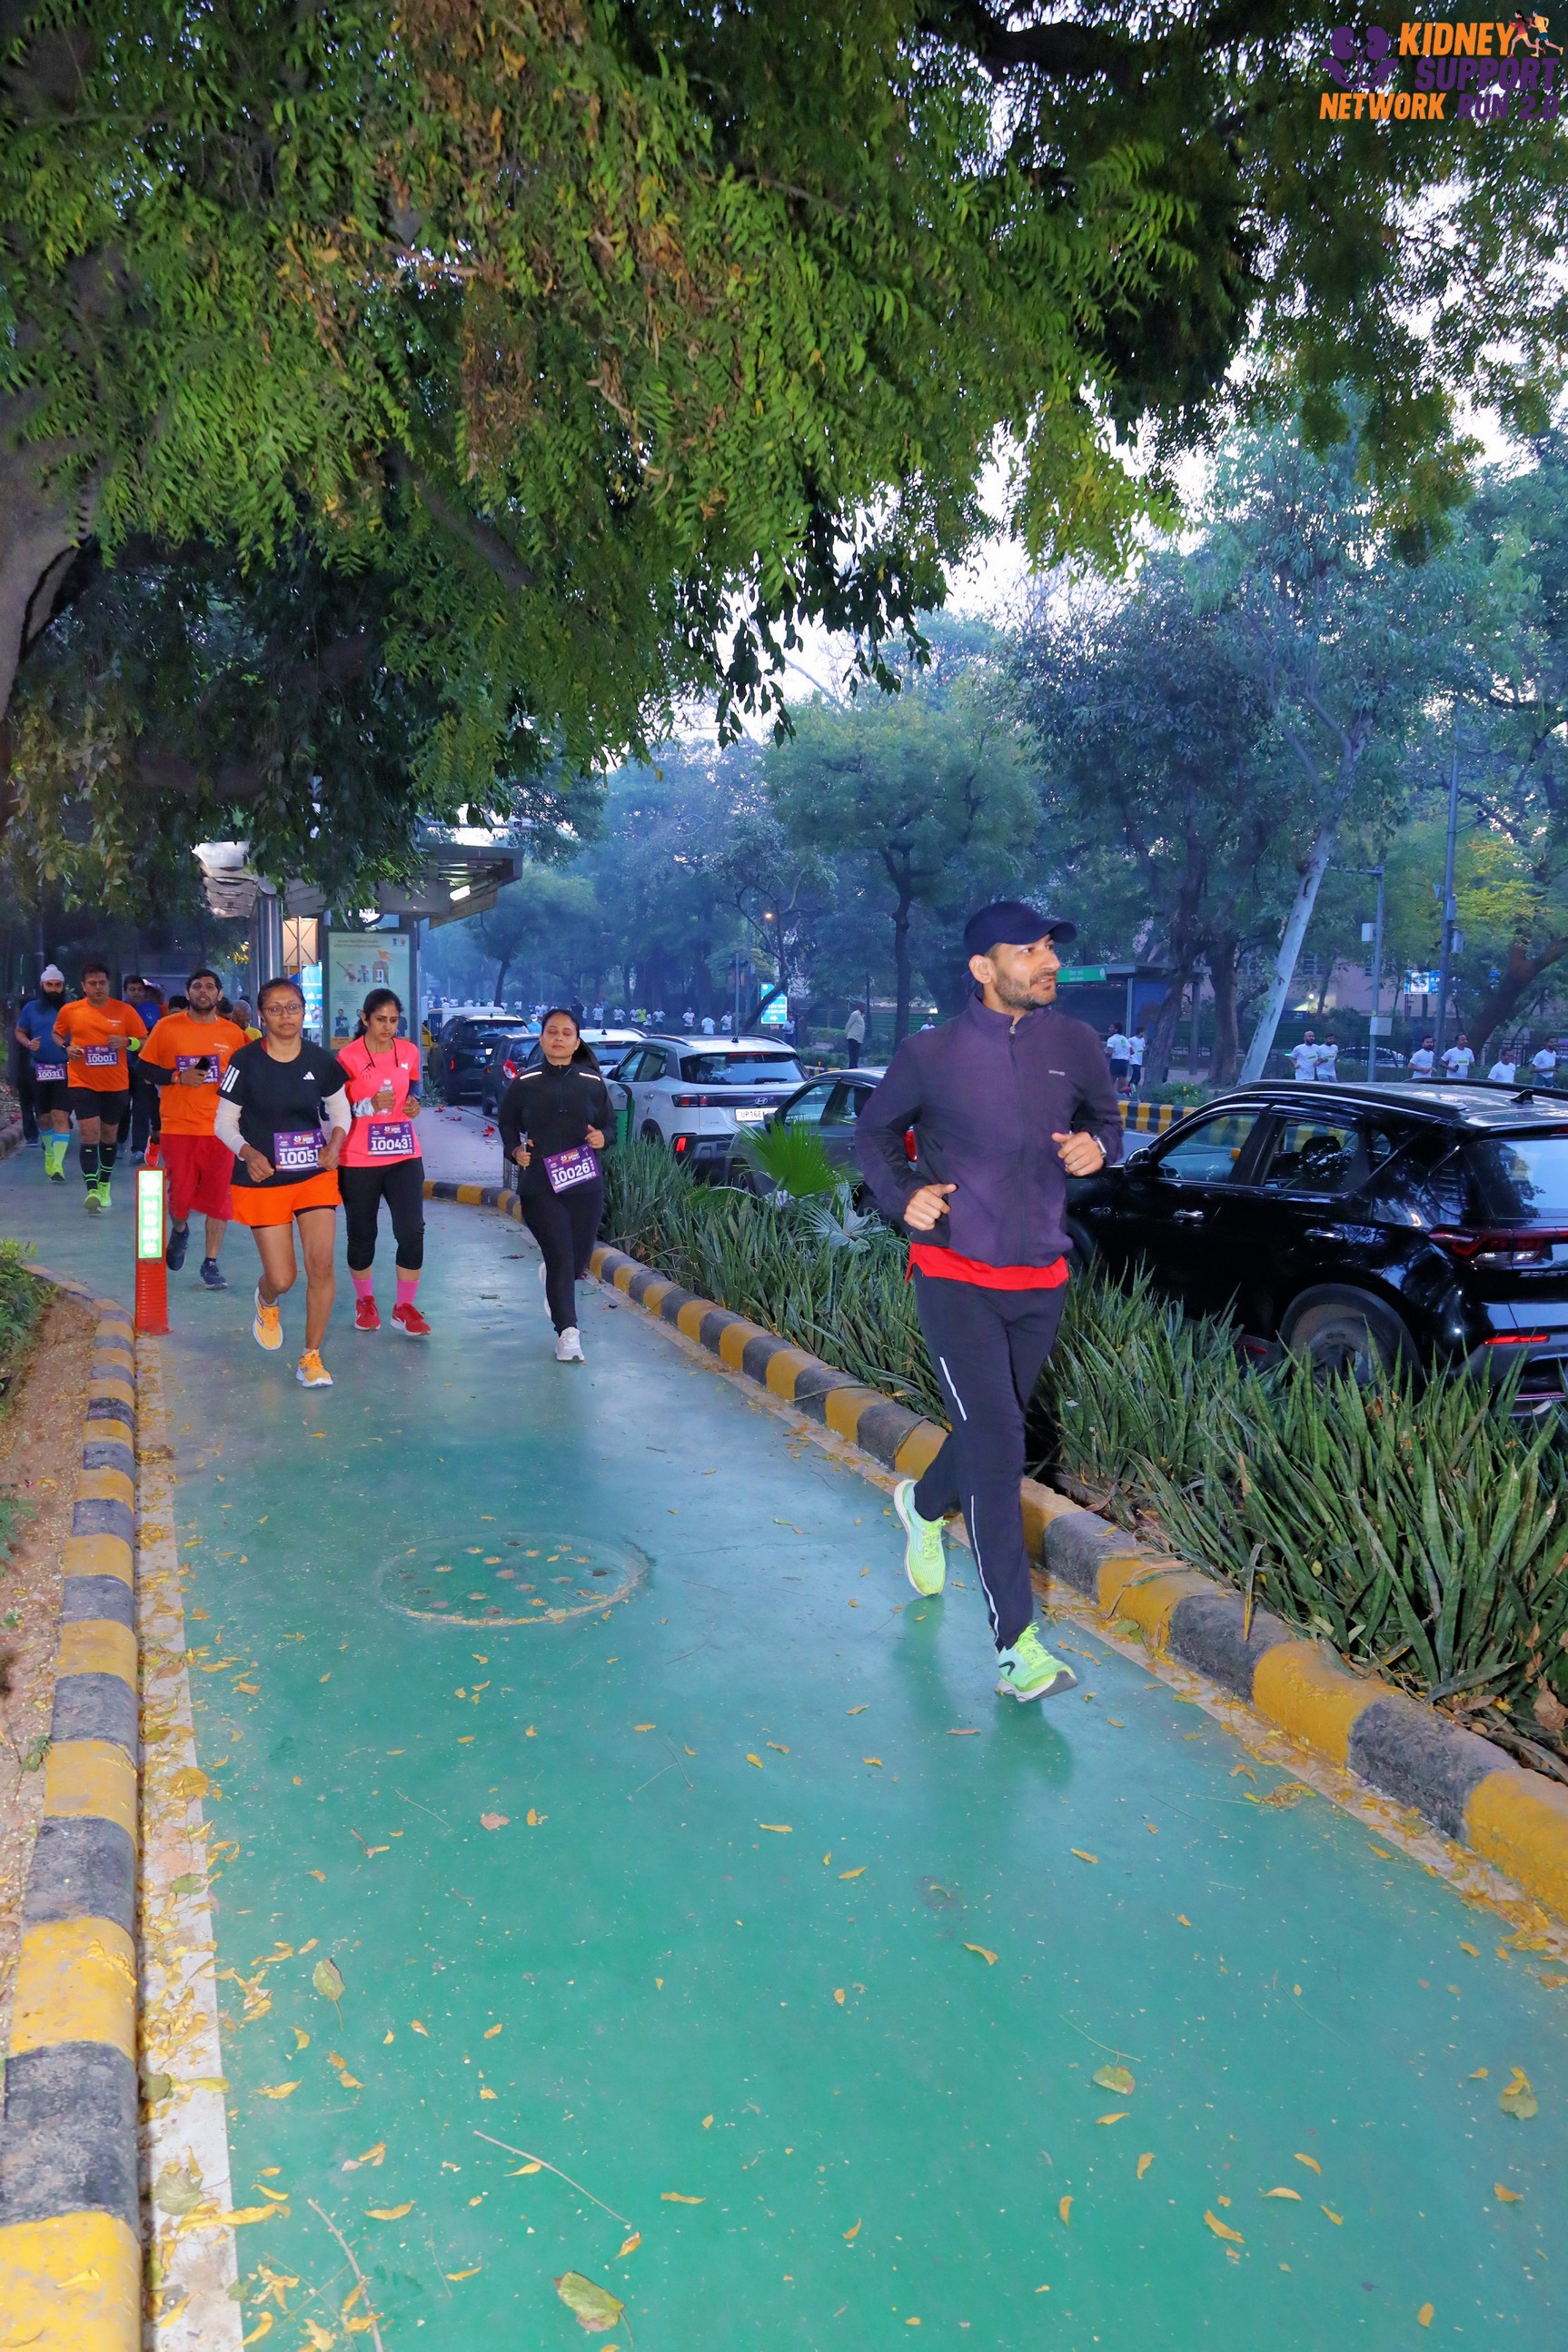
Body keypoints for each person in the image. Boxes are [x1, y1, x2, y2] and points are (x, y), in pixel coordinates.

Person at [855, 899, 1121, 1704]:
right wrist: (903, 1194)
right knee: (1001, 1445)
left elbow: (1109, 1123)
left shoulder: (1076, 1043)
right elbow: (873, 1134)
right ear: (983, 968)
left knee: (983, 1435)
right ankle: (1017, 1648)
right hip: (954, 1274)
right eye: (1029, 949)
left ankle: (921, 1503)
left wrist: (1099, 1146)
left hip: (1041, 1280)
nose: (1049, 961)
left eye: (1050, 948)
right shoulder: (929, 1053)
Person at [213, 975, 350, 1388]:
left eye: (293, 1007)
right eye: (275, 1009)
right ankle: (267, 1299)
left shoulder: (321, 1061)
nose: (285, 1016)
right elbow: (223, 1122)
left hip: (313, 1174)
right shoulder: (244, 1062)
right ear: (262, 1015)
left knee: (321, 1265)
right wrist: (248, 1153)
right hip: (265, 1176)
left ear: (304, 1011)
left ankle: (311, 1357)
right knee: (283, 1278)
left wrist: (336, 1144)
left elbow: (340, 1112)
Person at [497, 1007, 611, 1364]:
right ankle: (568, 1333)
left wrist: (602, 1138)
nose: (558, 1038)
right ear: (542, 1037)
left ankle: (554, 1277)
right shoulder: (525, 1082)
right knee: (561, 1255)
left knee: (574, 1262)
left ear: (576, 1042)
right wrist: (516, 1150)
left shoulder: (593, 1083)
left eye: (566, 1033)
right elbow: (506, 1123)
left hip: (585, 1186)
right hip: (540, 1187)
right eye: (552, 1031)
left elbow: (610, 1126)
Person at [137, 969, 248, 1287]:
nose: (203, 991)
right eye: (197, 986)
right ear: (188, 993)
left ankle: (211, 1263)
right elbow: (143, 1068)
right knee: (180, 1197)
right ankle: (180, 1230)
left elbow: (244, 1079)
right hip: (178, 1126)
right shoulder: (166, 1027)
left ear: (219, 994)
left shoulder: (233, 1034)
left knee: (219, 1199)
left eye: (210, 987)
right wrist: (176, 1077)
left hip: (221, 1129)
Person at [336, 987, 430, 1338]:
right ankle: (365, 1301)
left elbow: (414, 1088)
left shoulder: (408, 1051)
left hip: (404, 1153)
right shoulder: (347, 1057)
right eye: (380, 1019)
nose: (388, 1027)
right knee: (363, 1234)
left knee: (412, 1231)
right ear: (364, 1018)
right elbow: (334, 1110)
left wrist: (414, 1105)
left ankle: (404, 1307)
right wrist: (369, 1106)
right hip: (359, 1158)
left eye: (394, 1020)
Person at [52, 960, 146, 1211]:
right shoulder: (71, 1010)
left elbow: (144, 1040)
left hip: (115, 1084)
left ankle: (105, 1184)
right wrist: (67, 1048)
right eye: (92, 983)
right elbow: (57, 1034)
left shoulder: (124, 1011)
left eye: (102, 983)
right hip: (82, 1081)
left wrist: (127, 1042)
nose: (98, 987)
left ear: (109, 984)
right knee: (89, 1133)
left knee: (108, 1135)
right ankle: (91, 1189)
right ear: (83, 986)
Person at [14, 966, 72, 1179]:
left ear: (63, 986)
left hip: (65, 1069)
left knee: (61, 1115)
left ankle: (58, 1165)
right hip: (38, 1069)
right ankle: (50, 1152)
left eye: (58, 985)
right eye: (50, 985)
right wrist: (29, 1043)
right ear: (42, 985)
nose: (54, 989)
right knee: (45, 1118)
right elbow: (20, 1031)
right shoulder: (31, 1008)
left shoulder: (72, 1009)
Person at [123, 977, 164, 1157]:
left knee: (141, 1107)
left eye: (140, 989)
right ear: (125, 991)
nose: (136, 993)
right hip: (121, 1066)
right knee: (122, 1107)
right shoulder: (118, 1010)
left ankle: (138, 1148)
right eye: (132, 990)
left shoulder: (154, 1010)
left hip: (144, 1066)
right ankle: (119, 1140)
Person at [1105, 1025, 1130, 1091]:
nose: (1109, 1028)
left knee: (1109, 1086)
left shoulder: (1111, 1039)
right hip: (1125, 1063)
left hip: (1116, 1062)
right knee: (1121, 1089)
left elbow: (1109, 1052)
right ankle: (1131, 1089)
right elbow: (1132, 1051)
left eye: (1111, 1027)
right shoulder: (1125, 1039)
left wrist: (1103, 1053)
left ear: (1116, 1029)